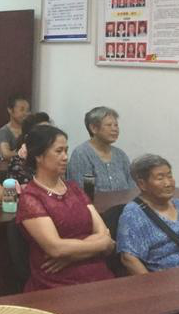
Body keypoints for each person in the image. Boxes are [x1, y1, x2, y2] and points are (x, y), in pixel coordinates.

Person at [16, 125, 115, 291]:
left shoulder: (74, 188)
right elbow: (56, 248)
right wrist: (101, 244)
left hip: (99, 274)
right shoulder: (31, 197)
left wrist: (71, 256)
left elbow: (105, 234)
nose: (65, 157)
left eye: (66, 151)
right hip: (58, 281)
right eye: (58, 151)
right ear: (39, 156)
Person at [117, 154, 179, 274]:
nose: (168, 183)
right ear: (142, 184)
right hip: (171, 276)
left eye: (170, 176)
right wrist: (151, 283)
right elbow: (129, 259)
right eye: (160, 178)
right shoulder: (133, 213)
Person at [66, 106, 134, 191]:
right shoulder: (81, 154)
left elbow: (132, 186)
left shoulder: (121, 155)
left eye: (116, 125)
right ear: (93, 128)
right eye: (109, 125)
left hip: (124, 200)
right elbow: (81, 191)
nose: (115, 129)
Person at [9, 112, 51, 186]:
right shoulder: (19, 164)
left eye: (50, 131)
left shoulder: (56, 158)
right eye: (43, 132)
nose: (49, 137)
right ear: (28, 138)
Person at [0, 94, 30, 164]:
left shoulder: (31, 129)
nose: (26, 113)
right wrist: (25, 153)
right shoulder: (4, 131)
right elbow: (5, 154)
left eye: (27, 110)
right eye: (22, 109)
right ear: (10, 110)